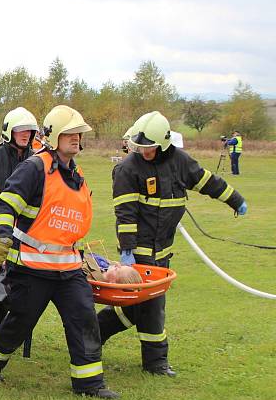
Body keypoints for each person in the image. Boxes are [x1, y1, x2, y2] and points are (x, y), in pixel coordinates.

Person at [0, 105, 119, 399]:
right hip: (32, 269)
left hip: (68, 268)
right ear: (54, 136)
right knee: (19, 322)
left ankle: (89, 384)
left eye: (79, 134)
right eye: (70, 133)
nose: (76, 138)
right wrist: (1, 238)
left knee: (84, 318)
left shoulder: (75, 172)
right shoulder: (33, 167)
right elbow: (4, 205)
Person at [98, 111, 247, 376]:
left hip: (163, 250)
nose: (145, 152)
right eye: (141, 148)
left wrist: (235, 200)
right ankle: (155, 363)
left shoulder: (181, 163)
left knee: (138, 306)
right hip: (140, 251)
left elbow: (208, 182)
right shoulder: (127, 169)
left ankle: (94, 334)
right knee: (153, 304)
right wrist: (128, 250)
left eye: (150, 148)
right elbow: (126, 212)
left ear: (164, 143)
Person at [0, 107, 38, 230]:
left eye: (29, 129)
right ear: (8, 131)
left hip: (29, 236)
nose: (26, 133)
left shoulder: (37, 162)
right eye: (20, 129)